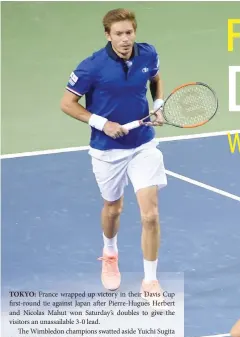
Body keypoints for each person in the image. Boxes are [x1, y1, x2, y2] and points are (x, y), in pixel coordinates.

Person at [60, 8, 166, 297]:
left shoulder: (148, 54)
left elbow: (155, 78)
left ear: (135, 32)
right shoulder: (91, 67)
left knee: (151, 215)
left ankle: (150, 279)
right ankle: (110, 253)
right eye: (118, 34)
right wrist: (102, 123)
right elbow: (67, 103)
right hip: (108, 150)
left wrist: (157, 105)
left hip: (143, 143)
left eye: (129, 32)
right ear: (108, 35)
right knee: (113, 209)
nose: (125, 39)